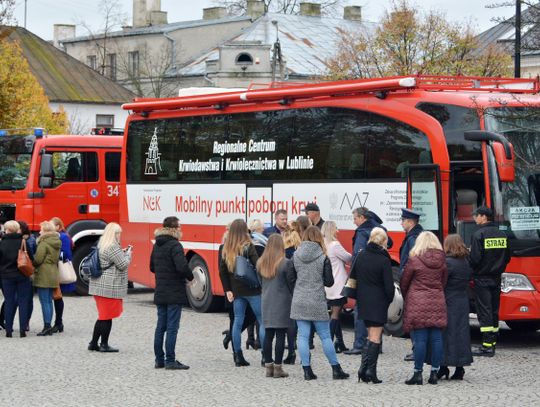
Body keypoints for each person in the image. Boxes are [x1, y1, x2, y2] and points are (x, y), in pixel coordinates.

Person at [290, 226, 349, 381]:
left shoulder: (296, 255)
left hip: (300, 299)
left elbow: (290, 279)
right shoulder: (323, 257)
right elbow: (329, 282)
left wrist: (298, 289)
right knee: (325, 336)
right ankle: (336, 369)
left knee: (302, 336)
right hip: (316, 299)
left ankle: (307, 371)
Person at [401, 231, 448, 385]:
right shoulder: (442, 260)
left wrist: (409, 295)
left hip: (418, 301)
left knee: (420, 339)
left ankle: (417, 373)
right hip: (437, 300)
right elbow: (444, 281)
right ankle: (434, 373)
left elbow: (404, 281)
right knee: (436, 338)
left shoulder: (414, 260)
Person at [219, 218, 265, 367]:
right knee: (261, 320)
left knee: (237, 322)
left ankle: (238, 356)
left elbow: (222, 271)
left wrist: (227, 290)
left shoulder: (227, 248)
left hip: (237, 291)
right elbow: (258, 265)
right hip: (252, 289)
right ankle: (265, 356)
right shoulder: (248, 246)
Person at [350, 227, 394, 383]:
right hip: (378, 302)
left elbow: (353, 277)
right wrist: (388, 300)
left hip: (363, 301)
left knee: (369, 336)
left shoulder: (361, 255)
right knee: (375, 338)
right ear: (383, 241)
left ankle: (363, 369)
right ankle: (370, 371)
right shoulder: (383, 259)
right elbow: (389, 287)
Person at [150, 216, 194, 370]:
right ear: (175, 229)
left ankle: (158, 360)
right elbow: (182, 267)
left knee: (160, 326)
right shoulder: (175, 245)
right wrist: (190, 276)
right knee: (172, 327)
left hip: (161, 290)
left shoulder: (157, 244)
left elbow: (152, 267)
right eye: (179, 227)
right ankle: (170, 360)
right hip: (174, 291)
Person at [469, 206, 510, 357]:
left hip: (482, 278)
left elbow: (474, 259)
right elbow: (507, 257)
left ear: (483, 217)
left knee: (484, 310)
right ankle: (492, 342)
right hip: (497, 277)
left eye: (476, 216)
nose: (474, 218)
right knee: (493, 310)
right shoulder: (502, 234)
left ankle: (487, 346)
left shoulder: (478, 234)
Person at [88, 222, 132, 352]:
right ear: (114, 234)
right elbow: (123, 264)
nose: (120, 235)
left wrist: (121, 252)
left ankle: (93, 343)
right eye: (118, 233)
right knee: (107, 316)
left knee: (102, 315)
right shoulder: (113, 246)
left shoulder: (102, 244)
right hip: (109, 286)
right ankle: (104, 345)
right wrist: (128, 254)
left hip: (99, 285)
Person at [258, 234, 295, 378]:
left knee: (268, 335)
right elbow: (291, 283)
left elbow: (260, 282)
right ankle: (278, 368)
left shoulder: (261, 262)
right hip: (283, 301)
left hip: (267, 300)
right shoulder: (285, 263)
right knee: (280, 335)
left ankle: (268, 367)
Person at [437, 234, 473, 380]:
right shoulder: (465, 261)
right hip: (462, 300)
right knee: (461, 334)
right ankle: (460, 368)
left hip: (448, 300)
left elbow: (442, 282)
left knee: (445, 334)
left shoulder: (448, 262)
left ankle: (443, 366)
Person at [321, 221, 351, 353]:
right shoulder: (335, 245)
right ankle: (329, 343)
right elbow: (348, 257)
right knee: (335, 314)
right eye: (336, 228)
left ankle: (340, 343)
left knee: (336, 313)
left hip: (328, 285)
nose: (338, 231)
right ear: (331, 230)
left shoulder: (322, 244)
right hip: (338, 283)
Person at [0, 221, 33, 338]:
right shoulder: (23, 242)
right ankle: (23, 329)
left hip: (6, 276)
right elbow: (31, 258)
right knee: (23, 301)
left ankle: (8, 330)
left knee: (9, 301)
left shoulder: (2, 243)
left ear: (7, 230)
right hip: (22, 275)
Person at [399, 208, 424, 362]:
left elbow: (412, 262)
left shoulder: (413, 238)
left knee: (414, 319)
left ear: (410, 222)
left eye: (403, 220)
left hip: (414, 284)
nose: (401, 223)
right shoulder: (418, 235)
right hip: (417, 284)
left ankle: (417, 350)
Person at [32, 221, 61, 336]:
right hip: (53, 271)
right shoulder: (56, 241)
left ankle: (47, 326)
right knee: (49, 301)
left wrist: (32, 263)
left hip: (43, 273)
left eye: (41, 229)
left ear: (45, 231)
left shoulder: (43, 243)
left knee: (44, 301)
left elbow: (38, 259)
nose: (39, 231)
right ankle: (48, 325)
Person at [50, 217, 75, 333]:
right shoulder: (59, 236)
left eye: (52, 225)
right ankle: (58, 322)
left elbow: (66, 254)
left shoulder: (63, 237)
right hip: (55, 269)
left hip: (58, 269)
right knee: (56, 297)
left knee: (57, 297)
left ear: (58, 227)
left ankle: (58, 322)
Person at [18, 220, 36, 331]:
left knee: (26, 299)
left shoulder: (27, 240)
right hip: (28, 271)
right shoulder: (31, 239)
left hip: (24, 270)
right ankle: (26, 322)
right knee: (28, 299)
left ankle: (25, 322)